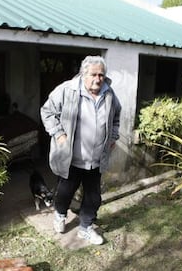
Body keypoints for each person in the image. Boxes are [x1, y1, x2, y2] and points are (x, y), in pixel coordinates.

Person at [40, 55, 121, 245]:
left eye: (101, 75)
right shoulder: (67, 90)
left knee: (94, 197)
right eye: (93, 74)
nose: (98, 78)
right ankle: (60, 215)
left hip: (96, 159)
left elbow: (116, 117)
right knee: (65, 192)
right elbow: (47, 111)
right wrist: (58, 134)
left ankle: (86, 228)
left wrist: (113, 137)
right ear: (84, 74)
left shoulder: (109, 94)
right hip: (72, 158)